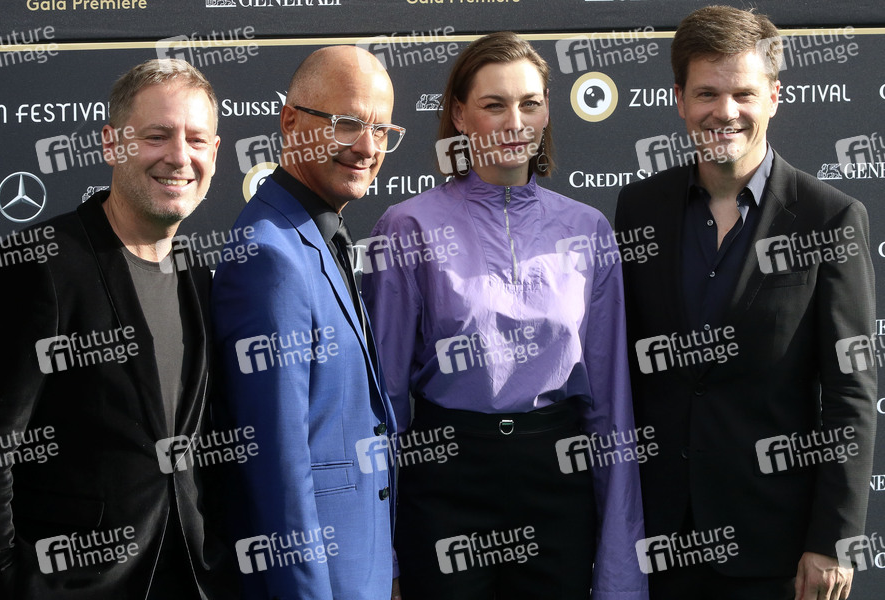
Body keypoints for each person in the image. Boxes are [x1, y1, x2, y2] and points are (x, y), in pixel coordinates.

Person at [362, 31, 648, 600]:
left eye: (529, 104)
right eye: (494, 105)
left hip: (558, 488)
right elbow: (383, 405)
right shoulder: (407, 227)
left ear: (546, 112)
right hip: (444, 486)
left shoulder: (587, 230)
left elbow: (610, 408)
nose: (515, 122)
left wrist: (621, 572)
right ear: (459, 115)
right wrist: (379, 555)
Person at [615, 6, 876, 600]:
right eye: (706, 93)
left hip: (773, 546)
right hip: (658, 538)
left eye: (744, 93)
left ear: (774, 97)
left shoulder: (829, 217)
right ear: (679, 99)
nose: (725, 111)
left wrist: (833, 539)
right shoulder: (639, 208)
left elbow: (851, 393)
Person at [0, 59, 236, 599]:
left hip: (192, 579)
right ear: (111, 144)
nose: (179, 157)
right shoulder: (40, 263)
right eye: (157, 136)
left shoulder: (199, 276)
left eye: (196, 139)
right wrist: (5, 578)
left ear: (215, 154)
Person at [211, 46, 403, 600]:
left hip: (361, 568)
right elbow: (276, 466)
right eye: (348, 124)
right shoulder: (269, 257)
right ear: (290, 121)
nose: (367, 147)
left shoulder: (318, 236)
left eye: (382, 130)